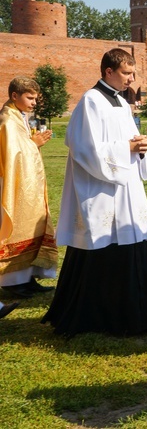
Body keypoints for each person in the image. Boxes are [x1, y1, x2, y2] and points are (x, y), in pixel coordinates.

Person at [42, 48, 147, 336]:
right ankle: (102, 317)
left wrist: (141, 147)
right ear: (108, 72)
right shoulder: (91, 102)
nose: (131, 79)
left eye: (132, 74)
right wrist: (127, 149)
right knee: (102, 250)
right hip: (101, 190)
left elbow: (128, 142)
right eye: (127, 73)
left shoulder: (120, 102)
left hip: (127, 190)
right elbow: (83, 148)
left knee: (136, 244)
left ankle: (146, 314)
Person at [0, 77, 58, 299]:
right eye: (30, 97)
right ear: (15, 96)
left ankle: (28, 277)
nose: (34, 102)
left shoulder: (19, 117)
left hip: (27, 185)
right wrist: (34, 144)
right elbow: (13, 154)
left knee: (32, 225)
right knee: (17, 228)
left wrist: (33, 143)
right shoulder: (7, 120)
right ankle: (12, 281)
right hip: (12, 186)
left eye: (36, 98)